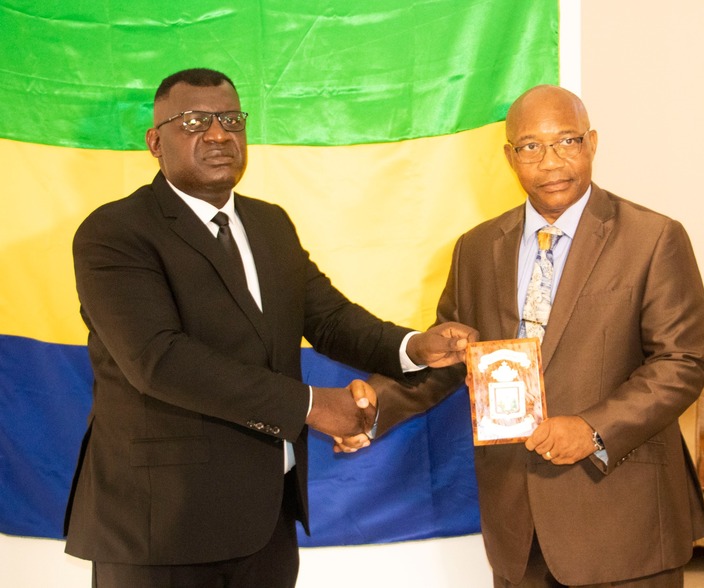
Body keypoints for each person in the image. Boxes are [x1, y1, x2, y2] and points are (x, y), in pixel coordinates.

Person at [63, 67, 475, 588]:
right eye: (194, 122)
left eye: (231, 120)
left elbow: (329, 318)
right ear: (155, 141)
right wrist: (311, 406)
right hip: (160, 526)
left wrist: (416, 347)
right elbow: (160, 361)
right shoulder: (115, 232)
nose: (219, 135)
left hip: (266, 522)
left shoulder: (269, 224)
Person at [339, 85, 704, 587]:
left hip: (623, 521)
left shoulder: (653, 237)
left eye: (567, 141)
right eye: (531, 146)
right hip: (518, 526)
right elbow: (454, 358)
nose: (551, 161)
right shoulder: (475, 249)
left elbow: (682, 362)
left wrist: (593, 428)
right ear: (510, 156)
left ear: (592, 143)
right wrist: (372, 409)